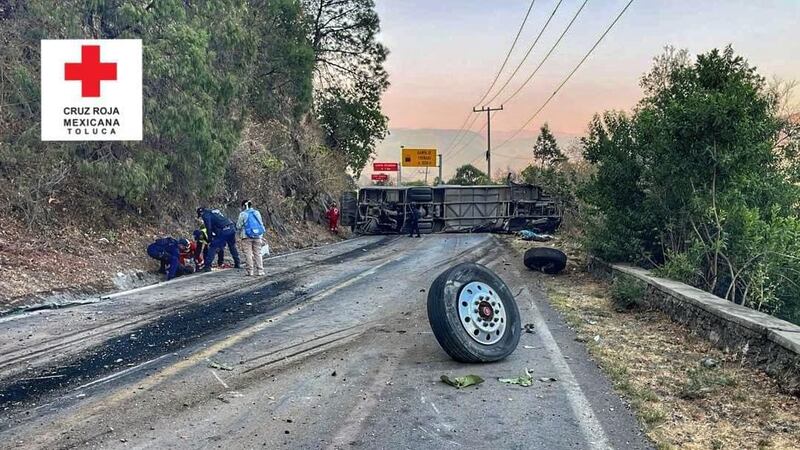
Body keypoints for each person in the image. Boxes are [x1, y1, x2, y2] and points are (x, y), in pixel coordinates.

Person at [197, 207, 241, 272]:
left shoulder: (205, 215)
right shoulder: (215, 212)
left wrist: (210, 239)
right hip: (231, 228)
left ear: (201, 213)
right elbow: (221, 222)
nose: (201, 218)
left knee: (213, 247)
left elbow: (209, 228)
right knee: (232, 246)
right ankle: (237, 263)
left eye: (200, 216)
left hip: (224, 230)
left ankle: (207, 266)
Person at [236, 200, 266, 276]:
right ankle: (260, 271)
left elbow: (238, 226)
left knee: (248, 254)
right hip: (258, 236)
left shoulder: (243, 214)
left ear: (244, 206)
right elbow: (261, 223)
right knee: (258, 253)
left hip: (246, 236)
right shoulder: (257, 212)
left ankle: (250, 271)